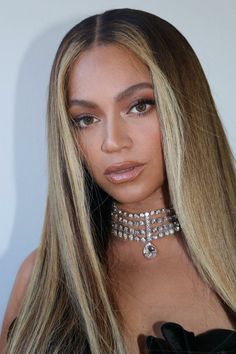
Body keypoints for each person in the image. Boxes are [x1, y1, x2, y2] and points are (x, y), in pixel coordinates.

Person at [1, 8, 236, 354]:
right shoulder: (41, 280)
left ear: (182, 105)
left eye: (139, 106)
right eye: (86, 119)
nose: (112, 141)